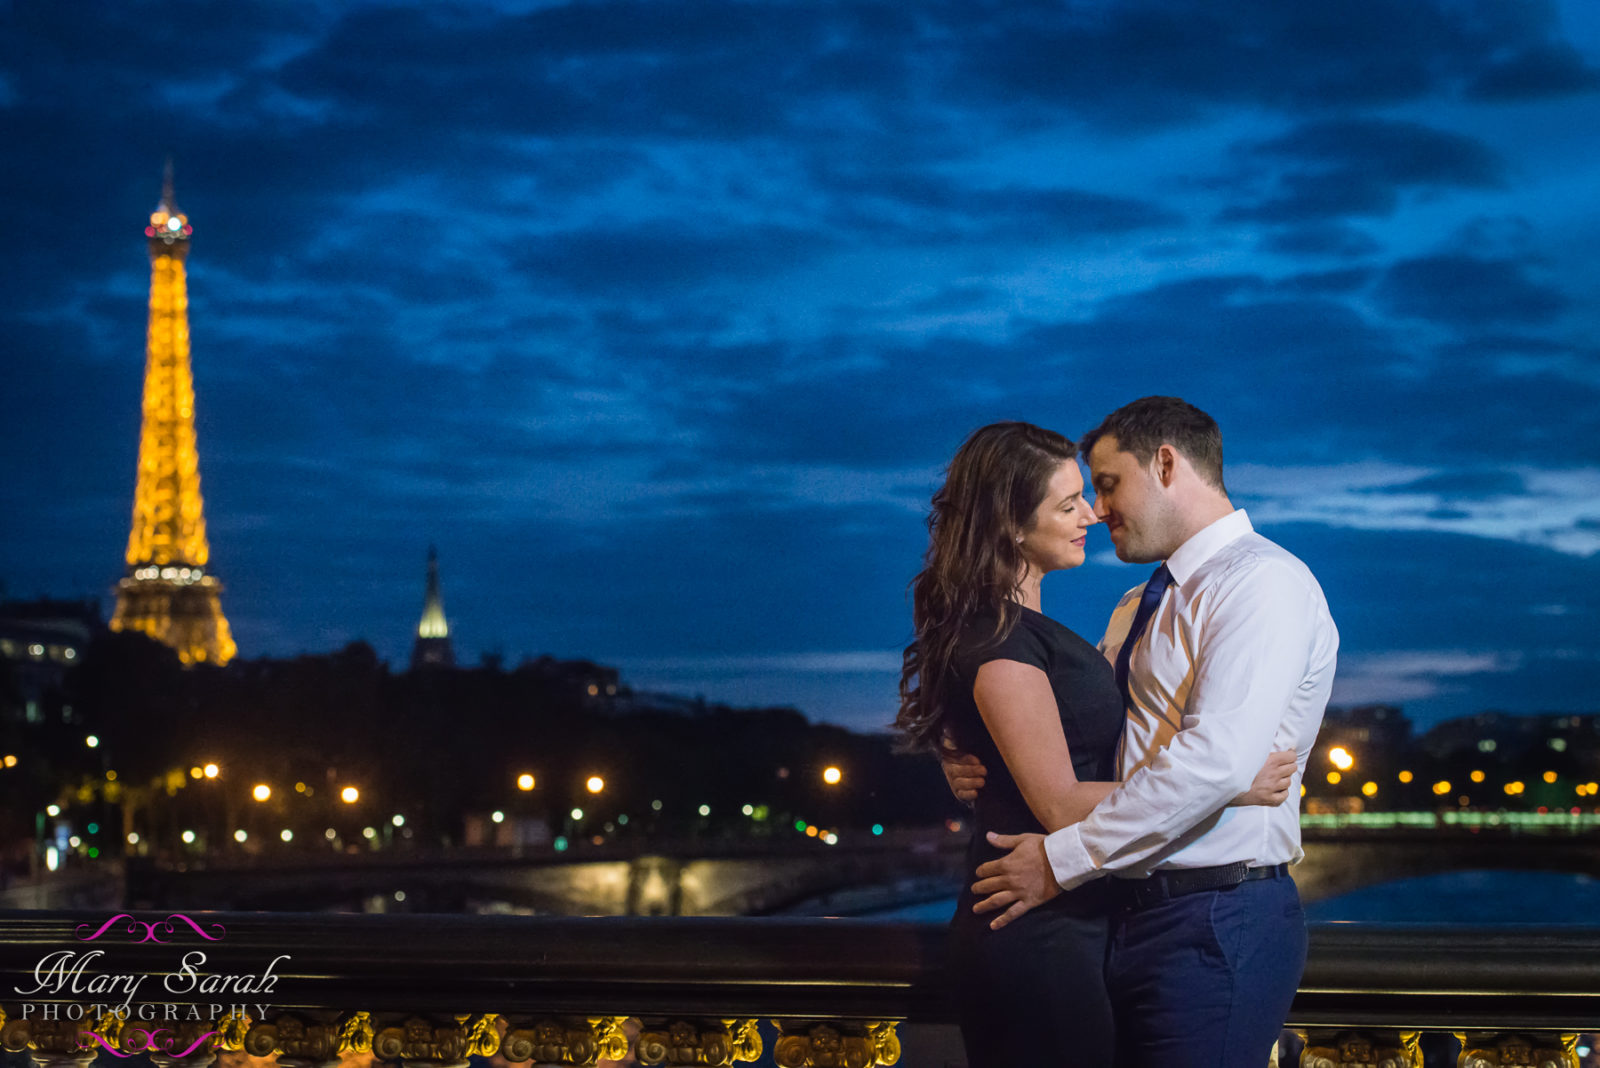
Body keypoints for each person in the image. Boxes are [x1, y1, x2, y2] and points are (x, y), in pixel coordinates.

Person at [897, 420, 1299, 1068]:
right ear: (1011, 524)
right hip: (1036, 927)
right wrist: (1229, 784)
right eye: (1068, 503)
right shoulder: (1000, 638)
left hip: (1069, 918)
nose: (1091, 512)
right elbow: (1058, 802)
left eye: (1088, 493)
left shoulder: (1012, 629)